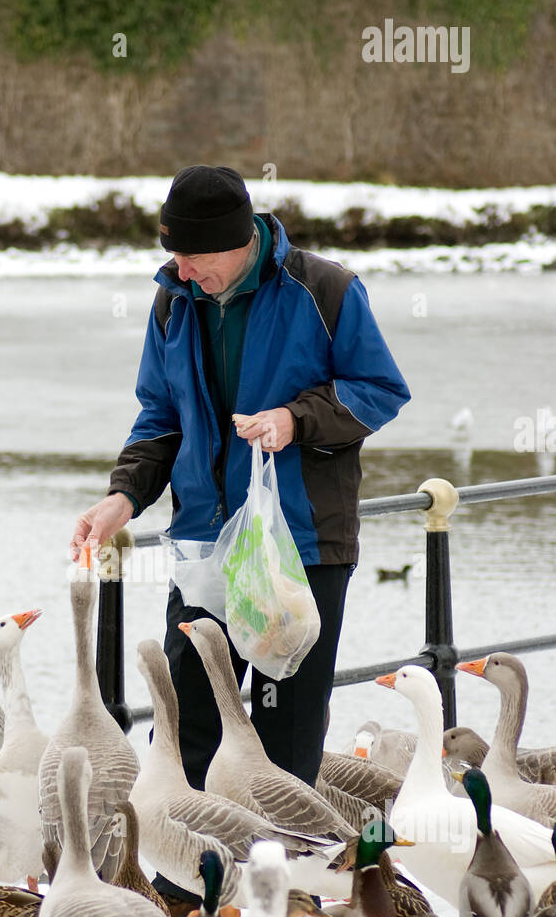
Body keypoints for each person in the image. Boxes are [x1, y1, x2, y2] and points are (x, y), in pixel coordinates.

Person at [70, 165, 410, 790]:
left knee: (285, 742)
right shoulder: (174, 299)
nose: (182, 270)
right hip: (205, 547)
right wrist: (124, 496)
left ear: (239, 239)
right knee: (183, 732)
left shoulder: (326, 290)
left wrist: (295, 420)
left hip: (301, 551)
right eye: (172, 254)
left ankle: (280, 886)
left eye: (194, 255)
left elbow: (381, 390)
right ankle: (183, 887)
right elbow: (160, 414)